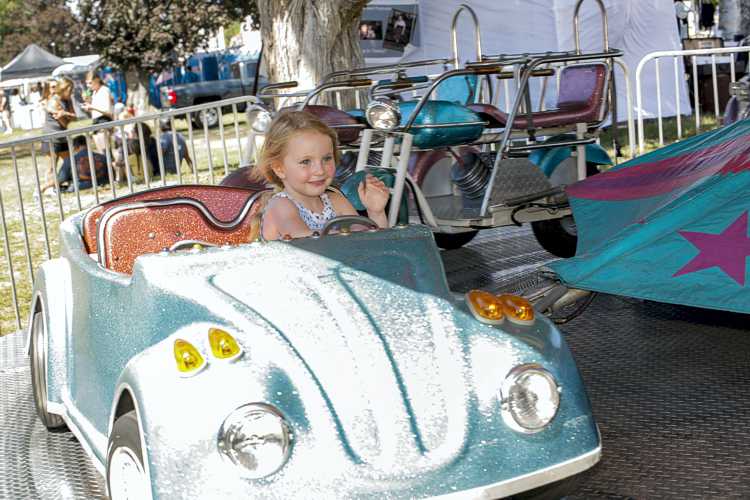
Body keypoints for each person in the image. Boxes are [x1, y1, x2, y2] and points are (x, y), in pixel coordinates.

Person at [249, 110, 390, 241]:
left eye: (327, 159)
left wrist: (375, 212)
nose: (320, 170)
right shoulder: (281, 205)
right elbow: (305, 241)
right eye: (306, 162)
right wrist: (349, 235)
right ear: (279, 168)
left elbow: (370, 244)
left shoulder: (336, 201)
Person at [41, 77, 76, 193]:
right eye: (69, 90)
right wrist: (65, 115)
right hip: (51, 137)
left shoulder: (68, 100)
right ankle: (49, 189)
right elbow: (63, 121)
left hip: (63, 136)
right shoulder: (53, 100)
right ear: (63, 89)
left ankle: (68, 183)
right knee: (51, 166)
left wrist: (64, 113)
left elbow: (74, 116)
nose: (71, 93)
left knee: (69, 162)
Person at [82, 71, 114, 153]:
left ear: (97, 80)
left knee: (106, 153)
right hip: (96, 122)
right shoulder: (95, 92)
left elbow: (107, 111)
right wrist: (88, 104)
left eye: (90, 83)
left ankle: (116, 165)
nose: (88, 86)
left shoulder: (104, 90)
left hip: (104, 121)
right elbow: (96, 111)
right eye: (87, 83)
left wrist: (92, 107)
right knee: (102, 154)